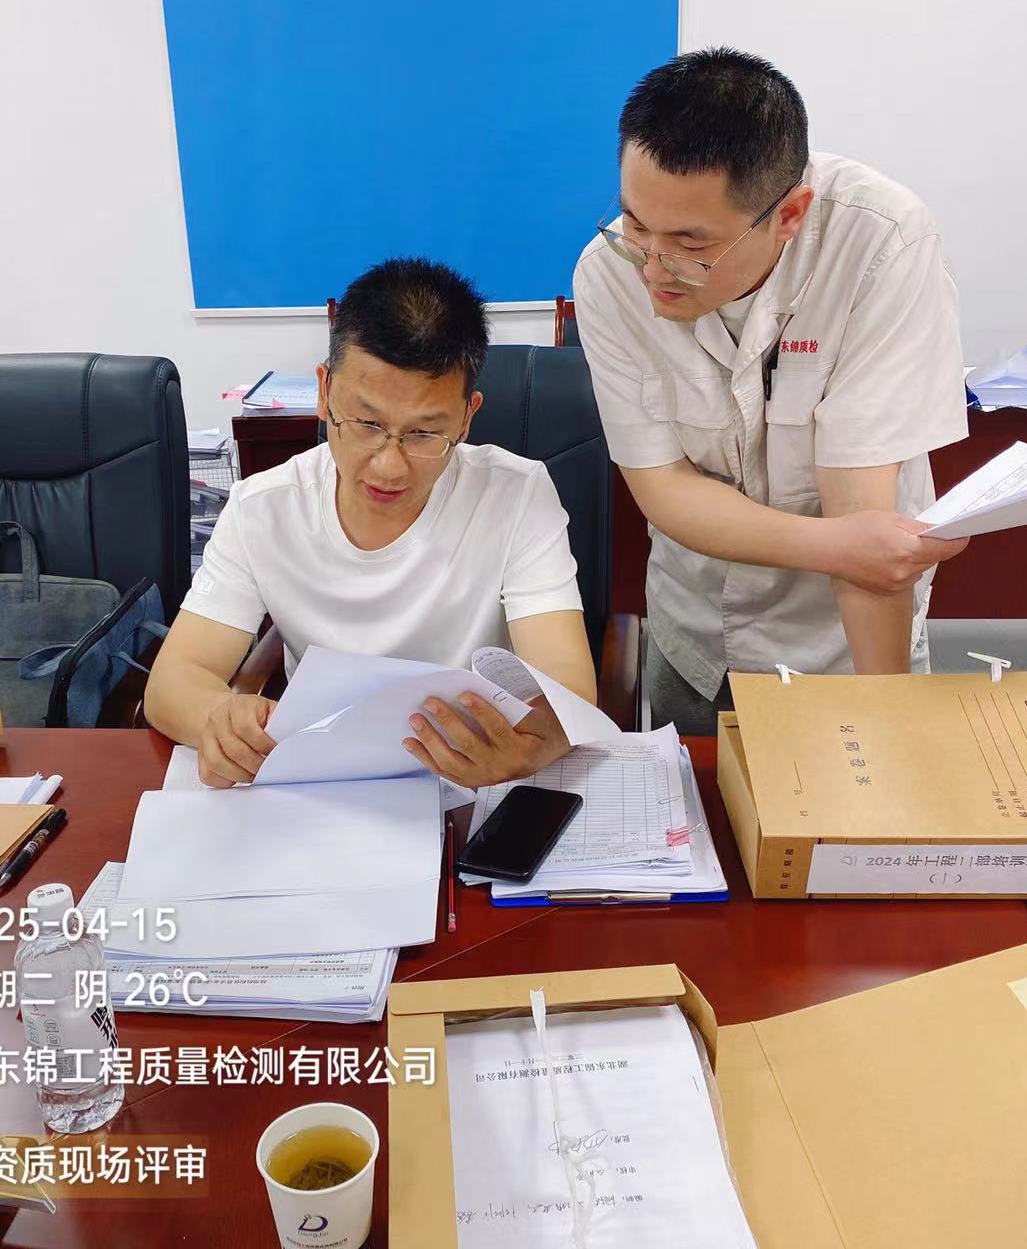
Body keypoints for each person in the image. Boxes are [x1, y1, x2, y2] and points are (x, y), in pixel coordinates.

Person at [571, 49, 970, 734]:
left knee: (865, 776)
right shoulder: (608, 275)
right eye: (635, 223)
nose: (653, 268)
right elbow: (664, 487)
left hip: (841, 638)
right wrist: (844, 546)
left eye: (691, 243)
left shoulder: (881, 243)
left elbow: (862, 508)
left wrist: (891, 721)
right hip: (698, 625)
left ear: (790, 215)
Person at [145, 257, 596, 789]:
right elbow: (174, 680)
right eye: (366, 423)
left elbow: (568, 688)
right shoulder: (262, 507)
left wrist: (523, 751)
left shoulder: (517, 494)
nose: (389, 466)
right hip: (320, 785)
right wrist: (219, 720)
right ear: (323, 392)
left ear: (466, 417)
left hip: (469, 779)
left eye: (424, 434)